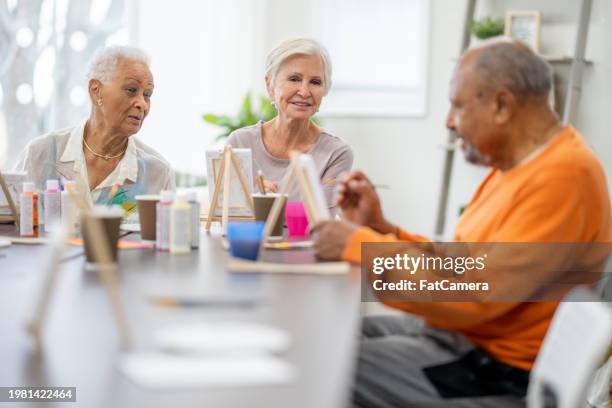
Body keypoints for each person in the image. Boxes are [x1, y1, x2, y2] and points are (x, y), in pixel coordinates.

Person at [312, 38, 611, 407]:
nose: (449, 122)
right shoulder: (520, 167)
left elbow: (472, 293)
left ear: (502, 105)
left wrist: (357, 245)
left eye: (457, 106)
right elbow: (463, 263)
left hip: (494, 371)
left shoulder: (563, 176)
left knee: (318, 366)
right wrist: (380, 229)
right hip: (465, 339)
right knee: (327, 338)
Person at [16, 45, 174, 208]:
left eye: (147, 95)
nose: (142, 104)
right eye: (131, 90)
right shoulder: (40, 155)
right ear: (96, 91)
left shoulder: (158, 173)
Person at [226, 38, 353, 207]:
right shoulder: (239, 143)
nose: (304, 91)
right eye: (294, 79)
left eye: (315, 82)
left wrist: (263, 205)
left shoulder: (336, 154)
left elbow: (322, 225)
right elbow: (229, 217)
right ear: (269, 85)